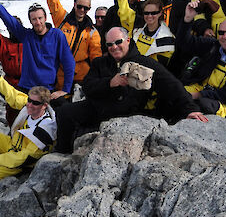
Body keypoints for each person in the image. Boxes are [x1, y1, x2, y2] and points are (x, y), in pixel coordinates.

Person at [54, 27, 206, 154]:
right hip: (97, 108)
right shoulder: (100, 62)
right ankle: (62, 153)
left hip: (127, 114)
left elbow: (172, 85)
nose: (114, 47)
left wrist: (190, 109)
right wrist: (110, 83)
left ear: (128, 40)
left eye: (118, 42)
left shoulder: (145, 63)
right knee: (64, 112)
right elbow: (88, 86)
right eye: (110, 44)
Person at [0, 0, 75, 101]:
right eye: (34, 19)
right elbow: (9, 20)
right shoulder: (26, 36)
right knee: (20, 117)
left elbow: (69, 62)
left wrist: (66, 89)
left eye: (40, 18)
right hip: (25, 88)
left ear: (45, 18)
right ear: (30, 21)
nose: (38, 22)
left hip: (47, 90)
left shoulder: (57, 35)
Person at [0, 60, 57, 185]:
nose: (29, 105)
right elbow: (12, 95)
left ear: (44, 106)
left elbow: (23, 157)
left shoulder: (44, 130)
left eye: (34, 103)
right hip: (13, 145)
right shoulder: (29, 107)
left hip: (23, 163)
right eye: (29, 100)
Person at [46, 0, 102, 91]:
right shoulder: (62, 19)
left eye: (86, 8)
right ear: (75, 4)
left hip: (81, 76)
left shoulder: (92, 31)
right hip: (58, 74)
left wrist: (98, 76)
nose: (82, 10)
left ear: (89, 9)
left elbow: (96, 56)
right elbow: (52, 2)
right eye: (80, 7)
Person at [0, 10, 24, 125]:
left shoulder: (29, 42)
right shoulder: (4, 43)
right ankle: (13, 132)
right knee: (12, 110)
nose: (14, 30)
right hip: (10, 82)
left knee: (29, 109)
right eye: (10, 27)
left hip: (28, 82)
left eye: (16, 26)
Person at [132, 0, 176, 67]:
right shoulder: (136, 32)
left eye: (153, 13)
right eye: (146, 13)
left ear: (160, 13)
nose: (149, 16)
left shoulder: (168, 38)